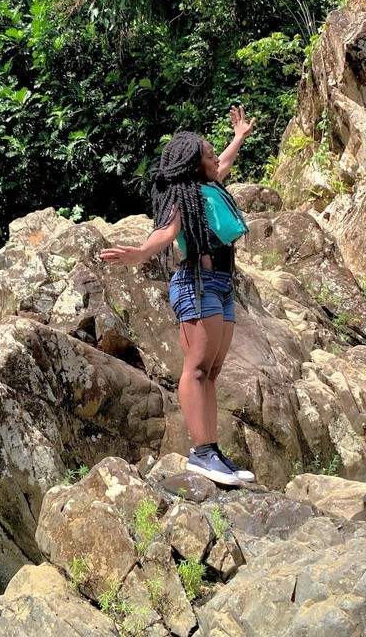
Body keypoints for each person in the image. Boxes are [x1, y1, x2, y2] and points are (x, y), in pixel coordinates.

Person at [98, 106, 255, 486]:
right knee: (197, 368)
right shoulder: (181, 197)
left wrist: (239, 136)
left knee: (212, 371)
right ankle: (201, 454)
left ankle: (212, 451)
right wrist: (139, 253)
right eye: (208, 155)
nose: (215, 158)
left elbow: (226, 162)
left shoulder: (209, 187)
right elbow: (166, 233)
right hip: (195, 284)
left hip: (221, 286)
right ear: (192, 164)